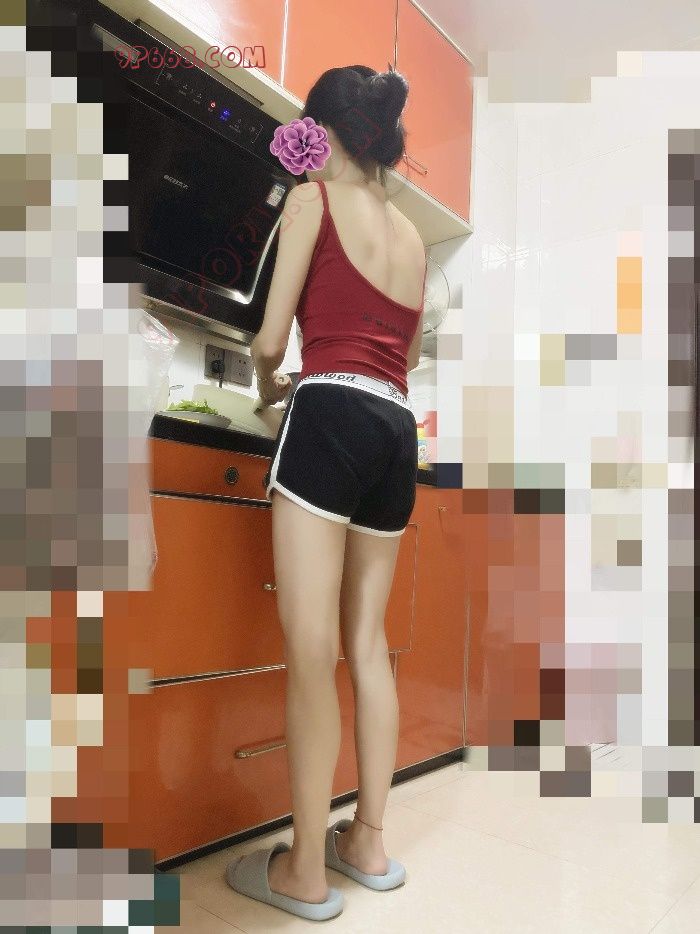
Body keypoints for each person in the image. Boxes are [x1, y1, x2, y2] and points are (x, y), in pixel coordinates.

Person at [226, 64, 427, 922]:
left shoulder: (312, 200)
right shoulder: (413, 238)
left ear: (322, 133)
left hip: (330, 415)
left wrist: (270, 386)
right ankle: (368, 844)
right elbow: (399, 361)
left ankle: (304, 871)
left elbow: (272, 339)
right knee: (366, 644)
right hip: (396, 431)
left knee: (311, 648)